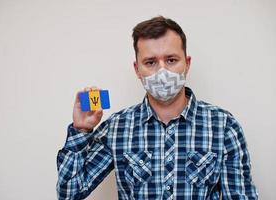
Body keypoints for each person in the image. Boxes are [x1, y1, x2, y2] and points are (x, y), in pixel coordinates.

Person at [56, 16, 258, 199]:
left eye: (171, 60)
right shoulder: (117, 127)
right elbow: (70, 192)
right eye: (150, 62)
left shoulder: (224, 126)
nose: (162, 72)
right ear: (137, 69)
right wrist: (81, 131)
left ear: (187, 63)